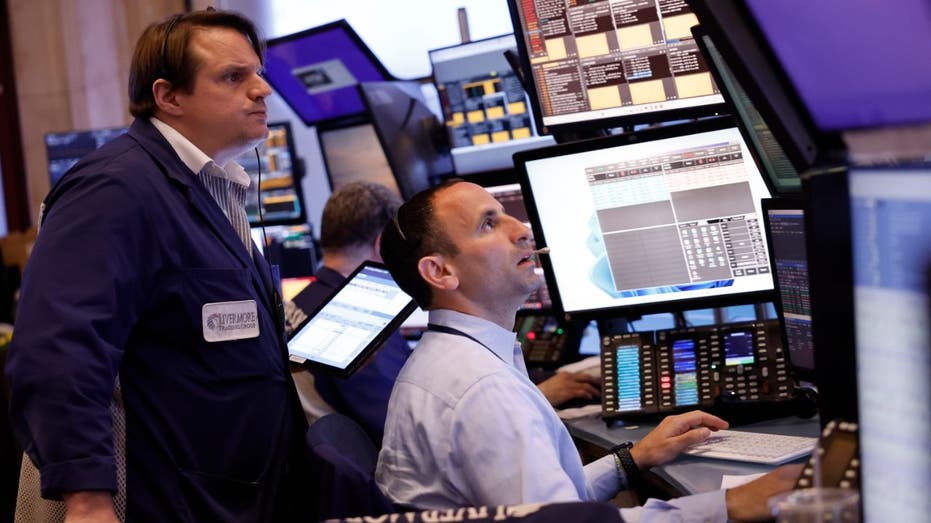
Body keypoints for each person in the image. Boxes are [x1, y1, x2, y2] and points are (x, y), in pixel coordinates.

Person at [6, 9, 307, 522]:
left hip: (225, 488)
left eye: (258, 73)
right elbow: (60, 347)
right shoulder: (115, 188)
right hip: (151, 498)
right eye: (234, 77)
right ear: (168, 96)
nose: (262, 90)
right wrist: (87, 497)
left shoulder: (214, 184)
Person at [375, 179, 801, 521]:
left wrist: (632, 461)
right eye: (489, 223)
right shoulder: (481, 389)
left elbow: (547, 503)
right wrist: (727, 506)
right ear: (440, 271)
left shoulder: (454, 360)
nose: (522, 230)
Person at [289, 181, 601, 445]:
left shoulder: (308, 302)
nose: (521, 231)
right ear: (383, 244)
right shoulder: (352, 318)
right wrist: (536, 395)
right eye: (488, 224)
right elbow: (407, 428)